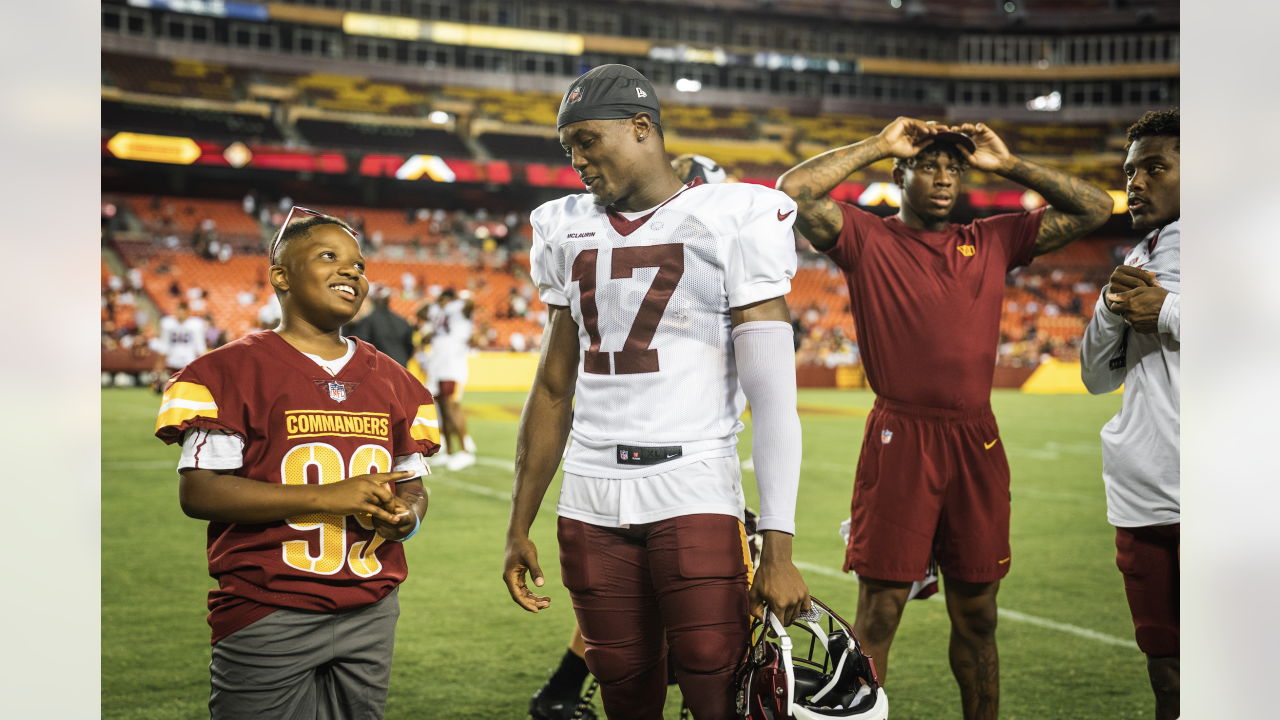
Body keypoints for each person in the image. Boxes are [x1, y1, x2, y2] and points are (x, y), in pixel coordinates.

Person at [776, 117, 1112, 720]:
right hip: (901, 436)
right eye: (929, 164)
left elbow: (1093, 207)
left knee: (979, 614)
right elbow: (791, 194)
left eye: (954, 168)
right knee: (879, 611)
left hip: (976, 440)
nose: (943, 177)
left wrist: (1007, 165)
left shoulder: (992, 238)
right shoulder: (865, 236)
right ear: (900, 173)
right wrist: (879, 144)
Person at [503, 64, 810, 720]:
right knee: (621, 686)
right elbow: (553, 389)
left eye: (588, 142)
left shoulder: (734, 215)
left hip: (692, 483)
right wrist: (517, 522)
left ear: (642, 128)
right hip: (588, 494)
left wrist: (779, 549)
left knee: (712, 687)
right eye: (569, 149)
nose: (578, 161)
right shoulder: (564, 228)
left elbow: (773, 396)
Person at [153, 210, 439, 719]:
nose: (351, 272)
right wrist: (326, 497)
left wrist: (407, 516)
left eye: (359, 264)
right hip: (269, 606)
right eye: (329, 256)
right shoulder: (226, 371)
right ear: (280, 275)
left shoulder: (397, 381)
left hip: (371, 606)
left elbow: (412, 485)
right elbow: (199, 493)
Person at [526, 150, 743, 720]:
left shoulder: (707, 232)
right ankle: (560, 690)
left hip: (678, 471)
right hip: (645, 470)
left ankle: (561, 690)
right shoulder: (595, 229)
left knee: (675, 655)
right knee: (673, 658)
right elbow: (554, 386)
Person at [1080, 109, 1180, 720]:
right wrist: (1113, 311)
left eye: (1154, 167)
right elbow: (1096, 376)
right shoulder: (1137, 253)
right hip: (1144, 490)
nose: (1134, 183)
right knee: (1166, 672)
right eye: (1129, 171)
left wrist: (1169, 311)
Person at [416, 287, 476, 470]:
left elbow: (470, 304)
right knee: (442, 409)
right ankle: (449, 452)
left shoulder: (459, 309)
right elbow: (420, 312)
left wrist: (456, 299)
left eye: (444, 299)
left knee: (452, 407)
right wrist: (436, 302)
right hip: (438, 367)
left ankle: (465, 451)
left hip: (453, 366)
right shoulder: (438, 310)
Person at [345, 283, 416, 367]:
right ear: (388, 300)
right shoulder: (403, 321)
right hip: (401, 368)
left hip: (378, 369)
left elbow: (359, 346)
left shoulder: (367, 321)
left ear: (373, 300)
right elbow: (410, 348)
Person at [151, 301, 207, 392]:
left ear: (187, 312)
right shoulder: (168, 324)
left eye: (182, 311)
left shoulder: (195, 325)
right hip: (173, 362)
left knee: (188, 390)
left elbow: (200, 347)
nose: (180, 314)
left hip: (188, 362)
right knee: (173, 390)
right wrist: (158, 367)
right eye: (178, 310)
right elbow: (164, 346)